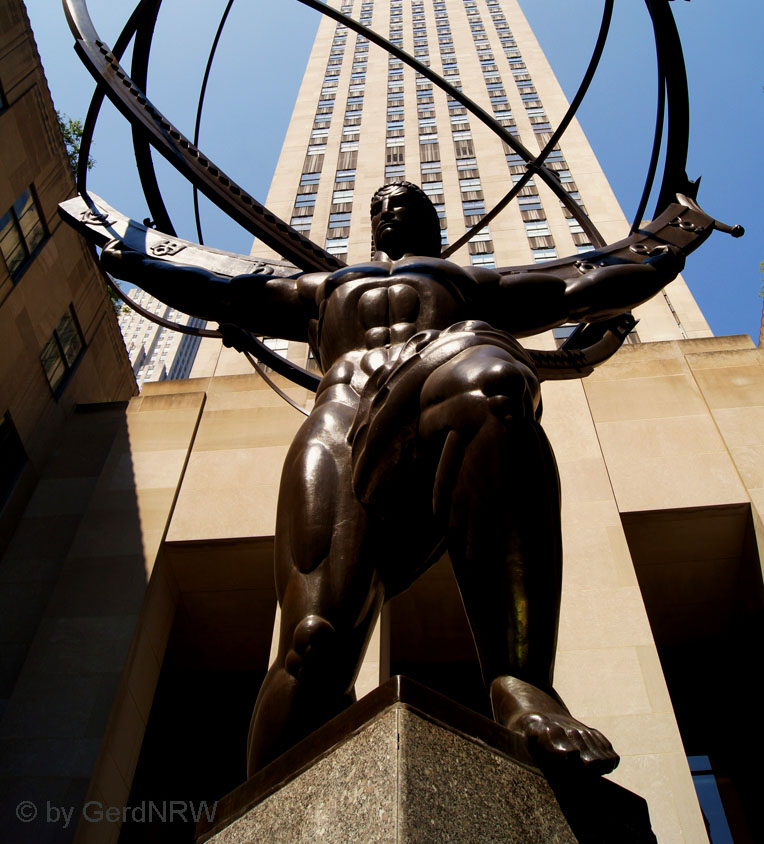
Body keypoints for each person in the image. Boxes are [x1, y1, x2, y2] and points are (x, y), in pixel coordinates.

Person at [101, 180, 685, 777]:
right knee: (313, 642)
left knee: (495, 384)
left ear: (432, 223)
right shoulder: (324, 287)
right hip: (340, 420)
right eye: (378, 204)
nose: (387, 208)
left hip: (436, 378)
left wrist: (667, 251)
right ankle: (262, 804)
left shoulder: (468, 283)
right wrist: (139, 262)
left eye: (402, 202)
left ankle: (521, 682)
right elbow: (224, 292)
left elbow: (573, 288)